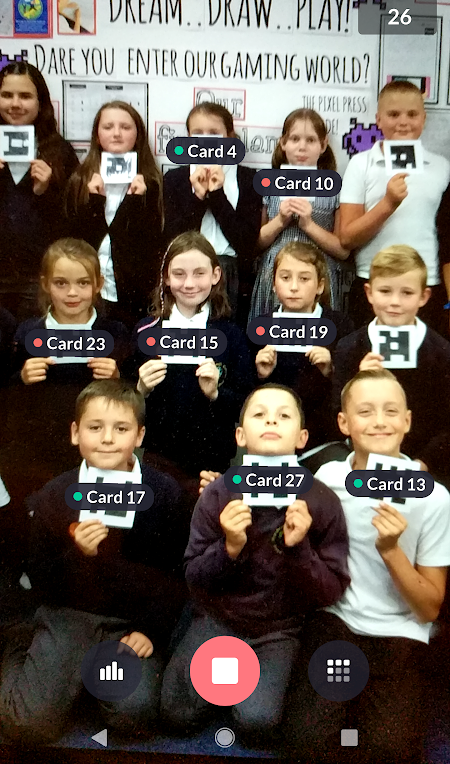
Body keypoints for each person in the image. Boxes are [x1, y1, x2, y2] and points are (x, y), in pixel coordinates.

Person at [0, 380, 188, 745]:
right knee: (27, 724)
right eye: (95, 427)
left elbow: (175, 575)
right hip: (66, 615)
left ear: (139, 435)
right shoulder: (56, 493)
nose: (107, 439)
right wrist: (78, 554)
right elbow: (38, 578)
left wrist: (150, 631)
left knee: (133, 712)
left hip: (130, 623)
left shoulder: (165, 493)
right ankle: (25, 648)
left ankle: (76, 677)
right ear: (75, 433)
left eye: (121, 429)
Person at [160, 383, 350, 745]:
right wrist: (230, 547)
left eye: (284, 415)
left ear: (302, 438)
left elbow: (331, 590)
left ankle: (241, 681)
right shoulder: (218, 493)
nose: (271, 421)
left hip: (279, 630)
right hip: (218, 619)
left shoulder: (321, 499)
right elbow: (194, 577)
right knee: (177, 713)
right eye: (259, 414)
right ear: (240, 435)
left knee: (257, 722)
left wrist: (299, 550)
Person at [283, 368, 450, 764]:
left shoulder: (434, 498)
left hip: (400, 633)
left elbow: (429, 608)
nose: (379, 421)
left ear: (407, 421)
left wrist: (392, 551)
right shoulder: (329, 477)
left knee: (389, 750)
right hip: (336, 623)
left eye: (391, 411)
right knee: (307, 742)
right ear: (344, 423)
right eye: (365, 411)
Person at [0, 238, 129, 573]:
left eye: (83, 283)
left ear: (98, 284)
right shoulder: (28, 332)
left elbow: (132, 398)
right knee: (46, 517)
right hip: (42, 448)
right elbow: (10, 397)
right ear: (45, 284)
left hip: (98, 450)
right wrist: (21, 377)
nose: (72, 293)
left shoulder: (114, 332)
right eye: (61, 283)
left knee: (97, 526)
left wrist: (117, 376)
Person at [126, 231, 253, 503]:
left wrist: (216, 394)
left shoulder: (231, 335)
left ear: (215, 275)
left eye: (199, 273)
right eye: (179, 274)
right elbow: (122, 403)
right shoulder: (145, 332)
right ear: (166, 277)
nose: (189, 284)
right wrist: (140, 389)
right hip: (158, 457)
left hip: (213, 460)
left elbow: (246, 404)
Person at [339, 80, 450, 334]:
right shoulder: (360, 164)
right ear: (378, 120)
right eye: (393, 114)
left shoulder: (442, 167)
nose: (403, 122)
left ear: (423, 119)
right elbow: (346, 238)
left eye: (412, 114)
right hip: (374, 283)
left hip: (426, 285)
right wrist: (388, 204)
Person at [332, 245, 450, 473]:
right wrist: (358, 382)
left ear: (424, 296)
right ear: (369, 293)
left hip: (425, 465)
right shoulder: (350, 348)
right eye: (385, 291)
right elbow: (338, 414)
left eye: (407, 293)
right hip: (362, 463)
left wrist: (424, 463)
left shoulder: (442, 353)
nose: (395, 302)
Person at [163, 102, 262, 322]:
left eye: (214, 133)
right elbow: (173, 239)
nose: (206, 141)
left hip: (232, 274)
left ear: (230, 137)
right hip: (187, 273)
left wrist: (217, 195)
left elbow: (246, 243)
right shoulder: (174, 179)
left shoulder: (249, 179)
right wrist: (198, 198)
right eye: (198, 134)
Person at [66, 101, 163, 327]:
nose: (117, 133)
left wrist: (133, 202)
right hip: (86, 291)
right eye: (108, 127)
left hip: (132, 296)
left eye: (125, 127)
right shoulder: (80, 180)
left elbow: (144, 246)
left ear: (138, 135)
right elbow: (77, 243)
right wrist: (95, 202)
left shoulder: (152, 184)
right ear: (97, 135)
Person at [249, 108, 350, 322]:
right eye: (295, 139)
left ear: (323, 145)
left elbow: (342, 250)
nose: (302, 146)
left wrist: (308, 225)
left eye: (310, 140)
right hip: (275, 274)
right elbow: (255, 243)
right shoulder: (267, 183)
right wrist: (280, 220)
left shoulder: (336, 188)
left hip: (317, 275)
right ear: (283, 143)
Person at [254, 241, 353, 449]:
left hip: (324, 433)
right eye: (285, 278)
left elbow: (351, 385)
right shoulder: (262, 326)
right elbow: (248, 389)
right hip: (275, 432)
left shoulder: (339, 325)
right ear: (274, 284)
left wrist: (331, 369)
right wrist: (261, 374)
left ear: (320, 286)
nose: (293, 287)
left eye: (304, 279)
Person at [0, 63, 78, 321]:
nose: (15, 104)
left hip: (40, 278)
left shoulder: (60, 151)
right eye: (7, 95)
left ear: (40, 102)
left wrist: (46, 192)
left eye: (25, 96)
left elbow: (73, 225)